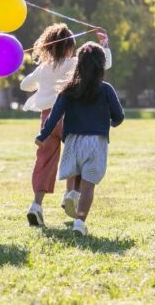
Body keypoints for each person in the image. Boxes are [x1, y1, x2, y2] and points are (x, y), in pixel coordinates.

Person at [20, 23, 112, 227]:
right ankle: (71, 194)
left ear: (48, 47)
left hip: (47, 120)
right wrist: (104, 44)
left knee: (44, 162)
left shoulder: (43, 68)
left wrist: (41, 80)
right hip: (70, 118)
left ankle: (36, 205)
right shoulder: (74, 64)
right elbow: (103, 64)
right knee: (78, 157)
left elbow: (24, 85)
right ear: (70, 47)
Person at [35, 42, 124, 236]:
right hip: (96, 142)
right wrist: (112, 122)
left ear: (79, 64)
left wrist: (43, 135)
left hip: (73, 141)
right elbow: (119, 116)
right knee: (89, 185)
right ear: (101, 66)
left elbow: (55, 115)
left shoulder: (68, 89)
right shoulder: (106, 89)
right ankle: (79, 222)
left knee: (76, 174)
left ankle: (72, 194)